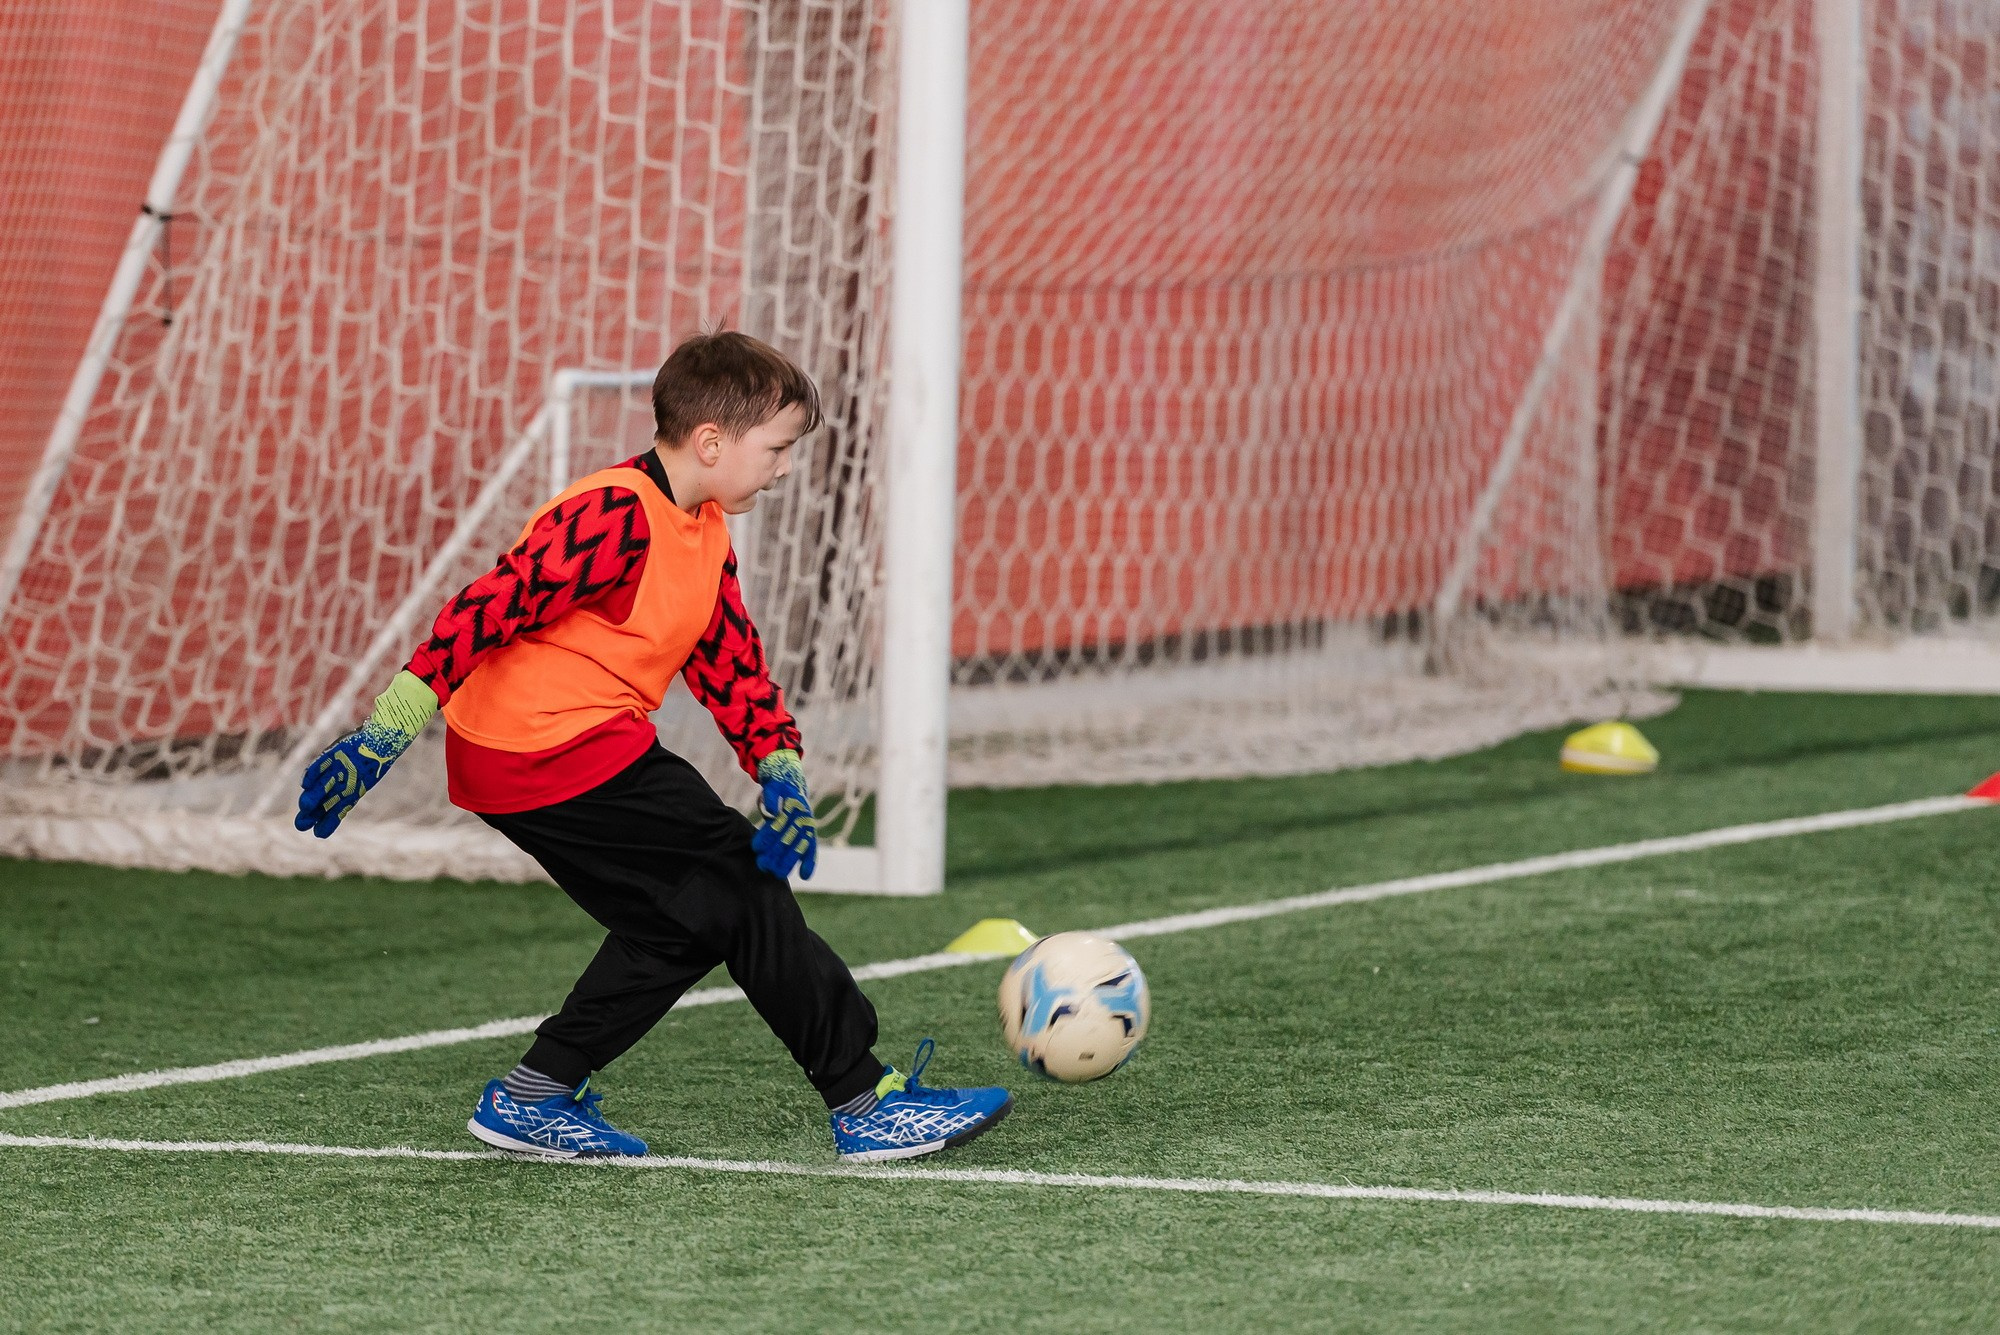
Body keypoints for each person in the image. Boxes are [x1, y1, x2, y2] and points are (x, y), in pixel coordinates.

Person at [293, 331, 1011, 1163]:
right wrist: (383, 734)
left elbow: (734, 666)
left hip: (563, 755)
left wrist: (781, 774)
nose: (783, 469)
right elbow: (486, 607)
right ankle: (861, 1095)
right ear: (712, 441)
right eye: (776, 449)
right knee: (741, 883)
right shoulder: (610, 514)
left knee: (680, 923)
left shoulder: (702, 531)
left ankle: (535, 1094)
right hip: (547, 748)